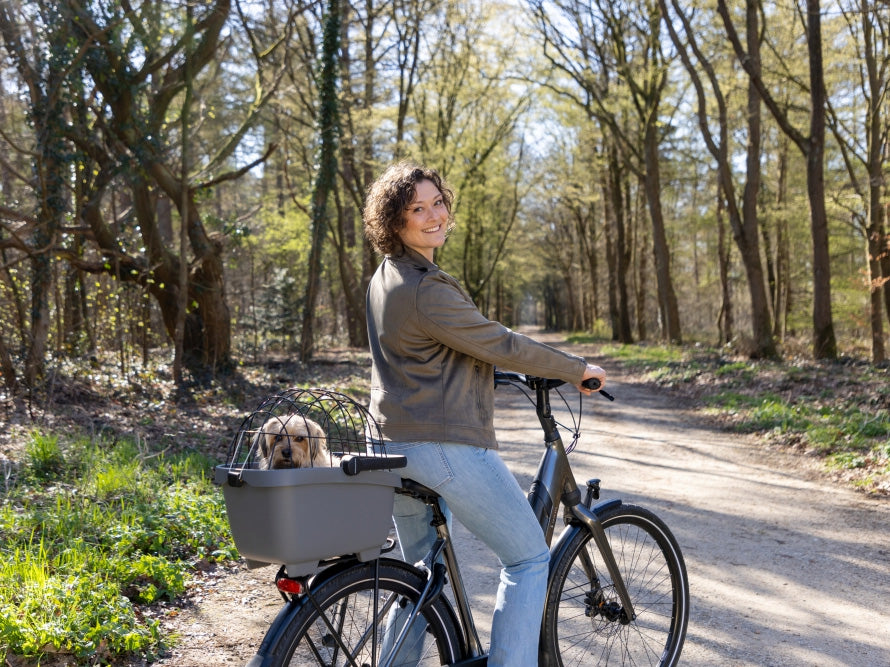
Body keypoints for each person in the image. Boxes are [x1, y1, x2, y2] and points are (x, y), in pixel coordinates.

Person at [363, 160, 606, 666]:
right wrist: (574, 368)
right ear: (395, 222)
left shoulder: (385, 276)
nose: (434, 216)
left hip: (388, 444)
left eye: (438, 203)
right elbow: (499, 342)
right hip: (439, 447)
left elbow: (419, 355)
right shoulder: (427, 288)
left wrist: (477, 374)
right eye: (417, 209)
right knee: (527, 557)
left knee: (419, 576)